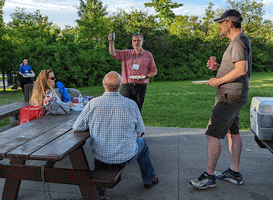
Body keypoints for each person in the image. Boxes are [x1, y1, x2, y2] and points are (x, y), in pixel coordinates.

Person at [190, 9, 252, 189]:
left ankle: (208, 177)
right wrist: (218, 69)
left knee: (211, 134)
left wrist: (218, 80)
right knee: (233, 132)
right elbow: (236, 69)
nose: (219, 26)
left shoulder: (239, 41)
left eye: (221, 22)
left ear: (230, 23)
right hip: (234, 94)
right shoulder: (239, 41)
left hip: (229, 96)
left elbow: (241, 70)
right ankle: (234, 172)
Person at [73, 71, 159, 196]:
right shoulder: (131, 104)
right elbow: (141, 130)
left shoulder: (92, 104)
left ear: (103, 85)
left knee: (101, 148)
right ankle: (149, 179)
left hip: (101, 157)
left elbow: (77, 127)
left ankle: (100, 186)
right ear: (120, 86)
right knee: (142, 144)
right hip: (126, 156)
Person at [108, 32, 157, 111]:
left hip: (141, 86)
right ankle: (126, 123)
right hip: (127, 86)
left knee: (137, 109)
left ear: (142, 42)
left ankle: (136, 123)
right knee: (125, 109)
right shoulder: (126, 53)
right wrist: (111, 42)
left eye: (138, 40)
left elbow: (154, 71)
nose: (136, 42)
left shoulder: (148, 55)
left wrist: (146, 76)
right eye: (134, 41)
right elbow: (112, 53)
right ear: (132, 42)